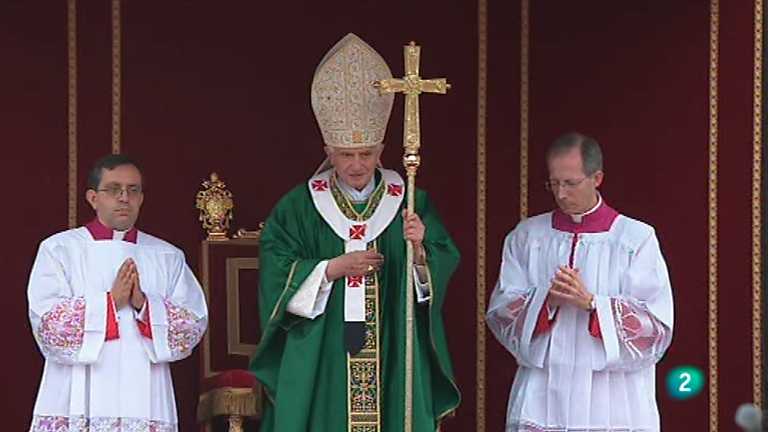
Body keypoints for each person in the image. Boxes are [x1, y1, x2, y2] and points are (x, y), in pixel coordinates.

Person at [249, 33, 460, 432]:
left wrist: (420, 249)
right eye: (346, 154)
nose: (357, 165)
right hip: (324, 347)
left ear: (381, 150)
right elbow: (275, 269)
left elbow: (441, 264)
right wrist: (330, 269)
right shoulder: (299, 207)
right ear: (328, 151)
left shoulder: (409, 201)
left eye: (367, 153)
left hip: (393, 342)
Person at [486, 132, 674, 431]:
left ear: (597, 178)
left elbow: (656, 326)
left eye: (570, 183)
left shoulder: (634, 239)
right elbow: (500, 312)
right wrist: (546, 301)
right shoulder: (527, 237)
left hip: (612, 398)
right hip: (543, 392)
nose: (561, 194)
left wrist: (592, 304)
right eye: (554, 183)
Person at [27, 154, 208, 431]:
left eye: (132, 190)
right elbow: (48, 324)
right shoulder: (59, 250)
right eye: (113, 189)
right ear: (93, 198)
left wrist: (145, 305)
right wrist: (110, 303)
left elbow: (192, 325)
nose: (124, 198)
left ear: (141, 198)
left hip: (146, 394)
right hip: (76, 392)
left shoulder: (167, 256)